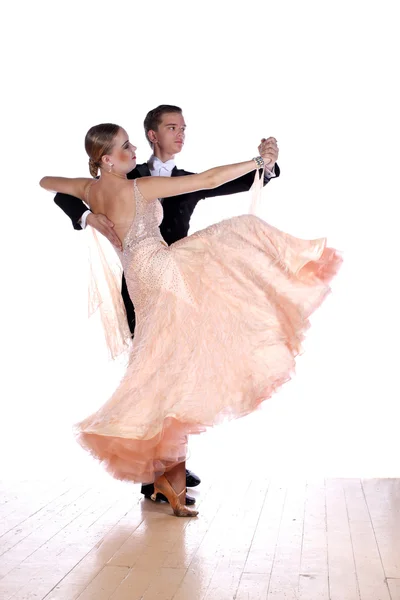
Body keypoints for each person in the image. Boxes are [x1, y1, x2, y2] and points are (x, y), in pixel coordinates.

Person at [40, 123, 341, 517]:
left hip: (140, 281)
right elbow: (209, 178)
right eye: (125, 146)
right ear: (107, 159)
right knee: (238, 237)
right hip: (163, 272)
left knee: (169, 372)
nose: (132, 151)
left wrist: (90, 212)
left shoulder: (90, 187)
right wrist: (257, 160)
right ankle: (292, 275)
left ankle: (170, 483)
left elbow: (46, 180)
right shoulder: (138, 186)